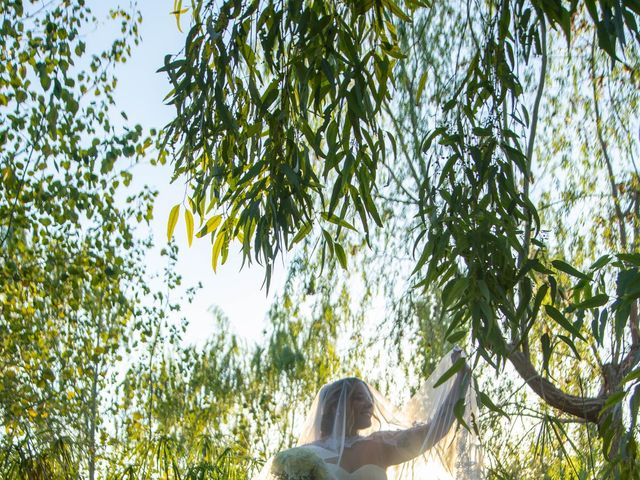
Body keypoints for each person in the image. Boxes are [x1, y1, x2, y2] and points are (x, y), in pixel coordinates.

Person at [258, 347, 482, 480]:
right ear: (335, 407)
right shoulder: (299, 458)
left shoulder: (379, 444)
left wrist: (460, 380)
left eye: (369, 400)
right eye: (358, 398)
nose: (369, 405)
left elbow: (435, 430)